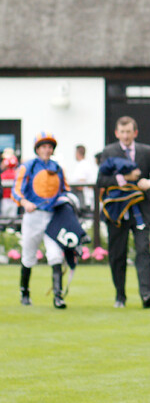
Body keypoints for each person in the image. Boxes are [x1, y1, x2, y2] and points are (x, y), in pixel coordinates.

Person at [97, 116, 150, 309]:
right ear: (117, 133)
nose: (126, 136)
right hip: (117, 212)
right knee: (117, 254)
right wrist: (123, 178)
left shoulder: (146, 151)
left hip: (140, 210)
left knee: (143, 250)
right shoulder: (109, 151)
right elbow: (101, 180)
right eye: (122, 132)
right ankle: (120, 295)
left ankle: (146, 294)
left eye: (129, 132)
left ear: (135, 133)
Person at [13, 132, 72, 308]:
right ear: (37, 149)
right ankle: (24, 292)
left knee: (55, 255)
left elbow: (66, 190)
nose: (47, 150)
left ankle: (58, 296)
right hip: (33, 216)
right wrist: (25, 202)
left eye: (49, 147)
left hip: (53, 216)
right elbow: (17, 190)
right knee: (29, 256)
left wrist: (67, 203)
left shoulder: (58, 168)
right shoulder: (28, 167)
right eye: (43, 147)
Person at [67, 144, 98, 214]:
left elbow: (80, 185)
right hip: (83, 200)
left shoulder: (82, 165)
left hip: (83, 201)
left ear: (77, 153)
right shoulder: (84, 164)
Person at [1, 149, 19, 225]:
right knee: (10, 217)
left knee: (9, 217)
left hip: (11, 199)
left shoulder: (16, 174)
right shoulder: (16, 174)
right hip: (8, 198)